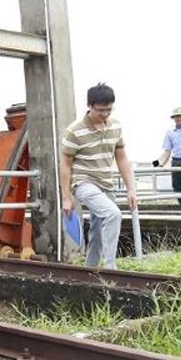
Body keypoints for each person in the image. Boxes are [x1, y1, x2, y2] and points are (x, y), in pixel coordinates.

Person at [61, 83, 138, 269]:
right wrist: (66, 198)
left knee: (97, 231)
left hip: (106, 184)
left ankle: (90, 271)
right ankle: (111, 268)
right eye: (100, 110)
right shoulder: (74, 130)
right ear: (89, 105)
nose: (105, 114)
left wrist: (131, 189)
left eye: (109, 110)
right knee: (113, 214)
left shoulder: (116, 126)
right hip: (83, 182)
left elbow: (122, 159)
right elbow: (65, 165)